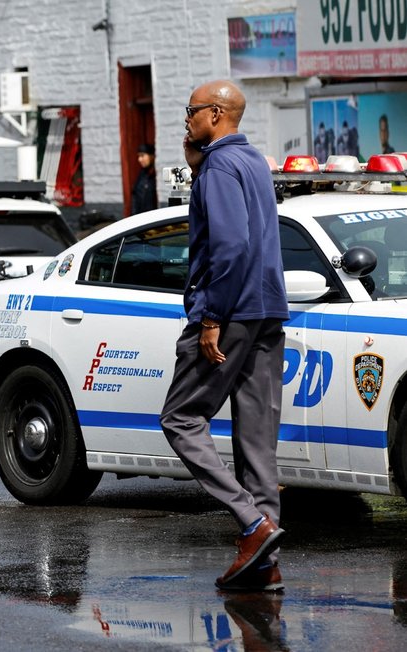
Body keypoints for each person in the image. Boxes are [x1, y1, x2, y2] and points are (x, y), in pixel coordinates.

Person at [159, 81, 289, 591]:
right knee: (257, 444)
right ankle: (266, 565)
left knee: (181, 417)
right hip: (265, 312)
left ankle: (253, 525)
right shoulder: (254, 160)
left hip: (229, 311)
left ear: (216, 114)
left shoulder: (218, 165)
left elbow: (230, 245)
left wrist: (210, 315)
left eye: (191, 112)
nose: (186, 120)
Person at [129, 143, 158, 215]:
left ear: (151, 156)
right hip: (141, 218)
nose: (139, 159)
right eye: (139, 156)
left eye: (142, 156)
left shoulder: (155, 175)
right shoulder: (142, 174)